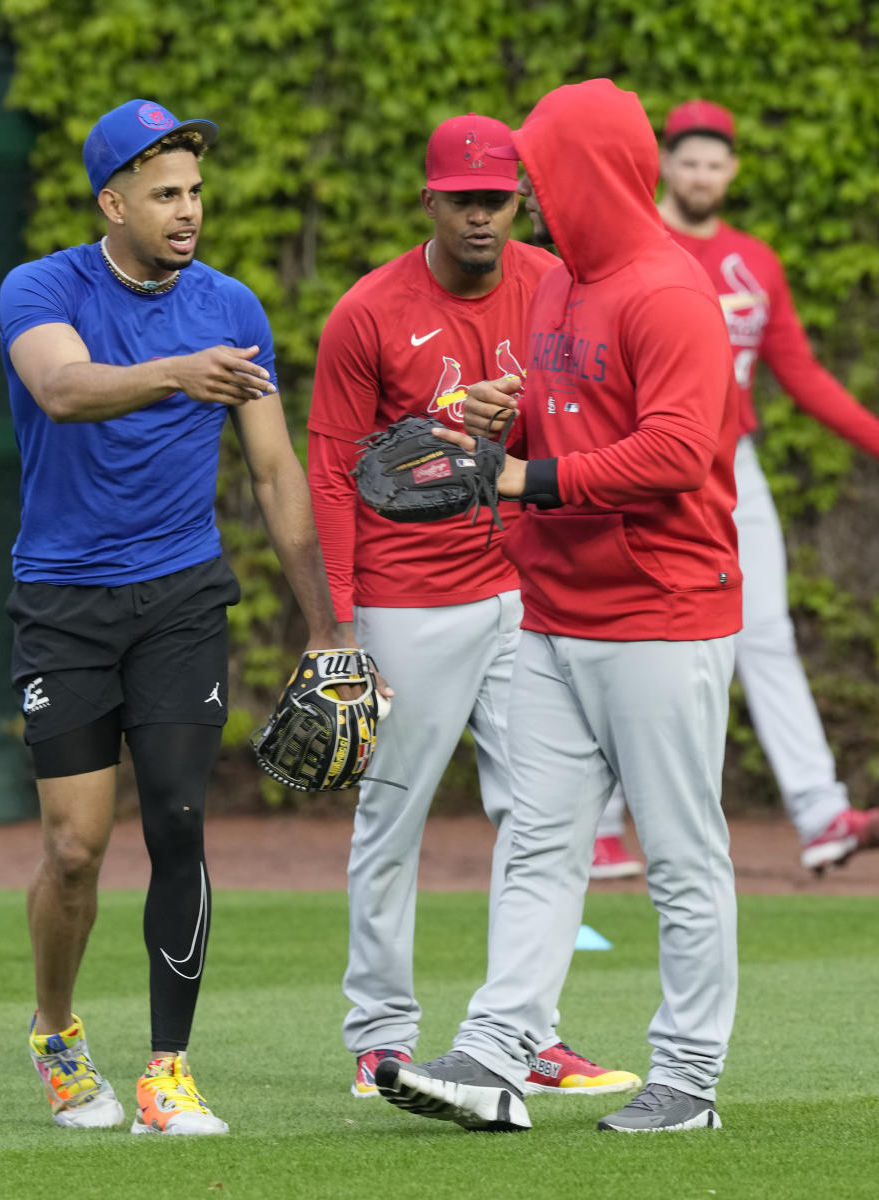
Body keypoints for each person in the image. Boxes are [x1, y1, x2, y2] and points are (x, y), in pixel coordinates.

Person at [374, 78, 742, 1134]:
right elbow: (577, 407)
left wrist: (520, 478)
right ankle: (496, 1056)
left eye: (541, 167)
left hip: (663, 610)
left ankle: (687, 1081)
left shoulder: (665, 291)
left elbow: (676, 451)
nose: (527, 187)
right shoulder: (564, 285)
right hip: (556, 606)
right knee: (538, 840)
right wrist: (515, 414)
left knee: (679, 856)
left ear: (591, 171)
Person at [0, 98, 348, 1134]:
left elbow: (277, 470)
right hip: (63, 600)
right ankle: (57, 1034)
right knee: (74, 846)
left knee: (181, 821)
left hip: (183, 595)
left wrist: (325, 622)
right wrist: (174, 374)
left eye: (195, 191)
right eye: (165, 194)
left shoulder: (232, 306)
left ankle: (167, 1070)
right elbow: (62, 389)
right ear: (112, 202)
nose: (189, 210)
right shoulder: (41, 286)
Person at [307, 112, 641, 1102]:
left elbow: (587, 419)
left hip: (526, 585)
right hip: (409, 598)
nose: (482, 218)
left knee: (550, 813)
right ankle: (378, 1038)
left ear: (520, 201)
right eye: (464, 200)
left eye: (497, 199)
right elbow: (333, 468)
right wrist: (336, 624)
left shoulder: (552, 283)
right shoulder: (368, 311)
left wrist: (519, 420)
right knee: (392, 816)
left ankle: (519, 1035)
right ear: (432, 201)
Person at [599, 99, 879, 874]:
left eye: (714, 163)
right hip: (644, 462)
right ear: (665, 166)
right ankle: (596, 820)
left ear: (732, 171)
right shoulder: (633, 245)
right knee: (627, 628)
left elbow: (802, 373)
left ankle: (823, 815)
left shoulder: (755, 260)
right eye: (686, 161)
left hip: (734, 464)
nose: (701, 175)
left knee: (766, 635)